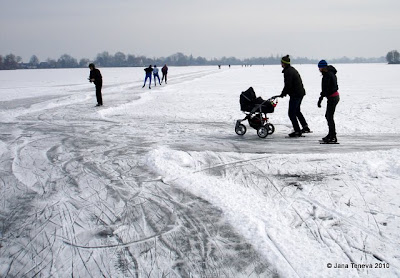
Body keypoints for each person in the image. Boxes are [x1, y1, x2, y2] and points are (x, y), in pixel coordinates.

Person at [279, 55, 310, 137]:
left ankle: (297, 131)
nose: (281, 64)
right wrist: (285, 93)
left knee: (291, 113)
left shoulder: (288, 72)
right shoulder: (291, 70)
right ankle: (305, 127)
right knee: (296, 111)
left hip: (296, 94)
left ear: (284, 63)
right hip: (300, 93)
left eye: (281, 63)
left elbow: (288, 85)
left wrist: (283, 93)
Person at [317, 60, 340, 143]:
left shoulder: (328, 75)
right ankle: (331, 134)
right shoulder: (330, 74)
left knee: (329, 116)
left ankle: (333, 136)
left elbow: (326, 89)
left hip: (333, 97)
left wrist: (321, 98)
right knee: (328, 116)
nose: (319, 69)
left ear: (323, 67)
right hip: (333, 96)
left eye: (319, 67)